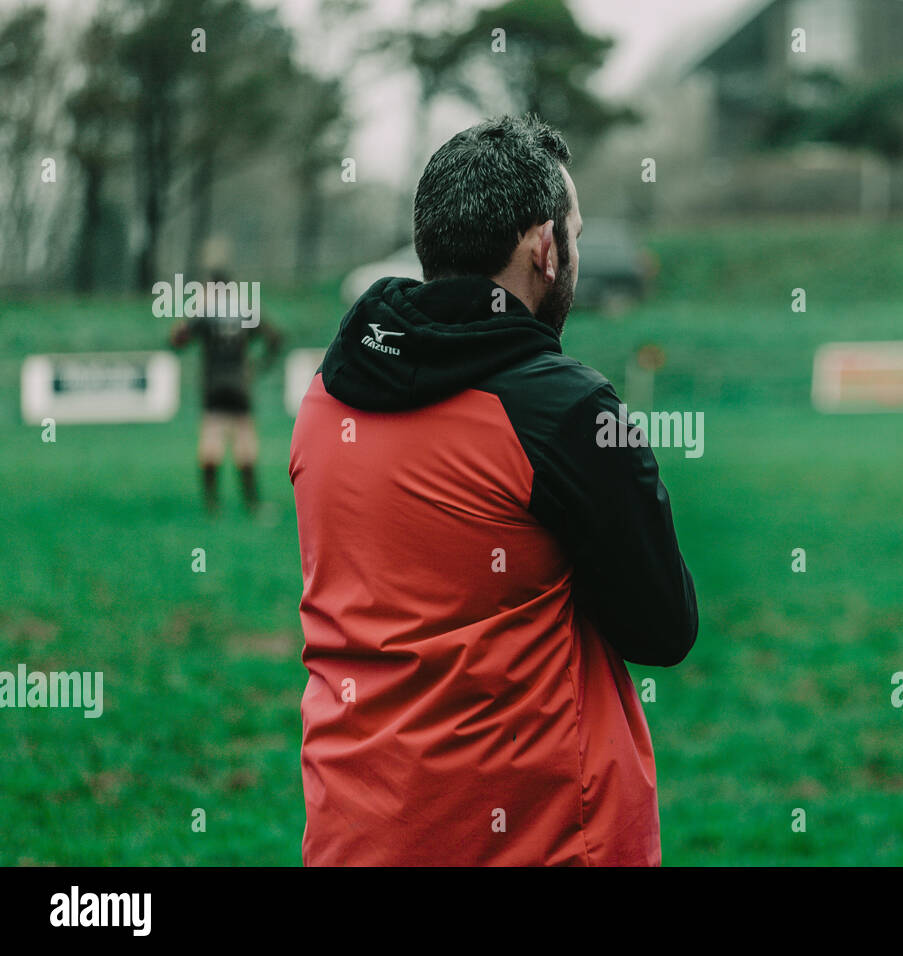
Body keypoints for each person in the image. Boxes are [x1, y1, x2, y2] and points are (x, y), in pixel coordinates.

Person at [290, 115, 698, 866]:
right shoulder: (565, 411)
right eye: (572, 231)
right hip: (538, 838)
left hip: (359, 830)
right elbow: (663, 629)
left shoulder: (327, 394)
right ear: (546, 247)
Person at [168, 271, 282, 513]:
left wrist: (193, 313)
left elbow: (176, 341)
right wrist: (260, 365)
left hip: (213, 388)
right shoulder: (244, 311)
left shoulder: (206, 314)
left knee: (211, 447)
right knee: (245, 447)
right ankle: (252, 504)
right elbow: (275, 337)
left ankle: (212, 506)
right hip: (241, 387)